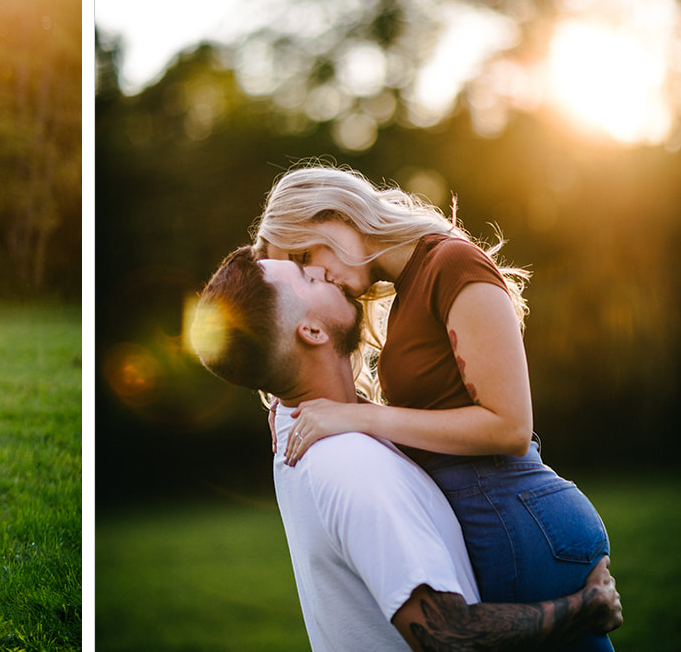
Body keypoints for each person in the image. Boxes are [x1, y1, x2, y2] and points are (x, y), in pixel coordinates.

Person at [251, 163, 613, 649]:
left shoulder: (452, 264)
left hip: (518, 524)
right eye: (299, 271)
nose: (315, 274)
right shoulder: (408, 292)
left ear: (335, 213)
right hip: (493, 526)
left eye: (303, 254)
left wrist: (360, 416)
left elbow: (509, 426)